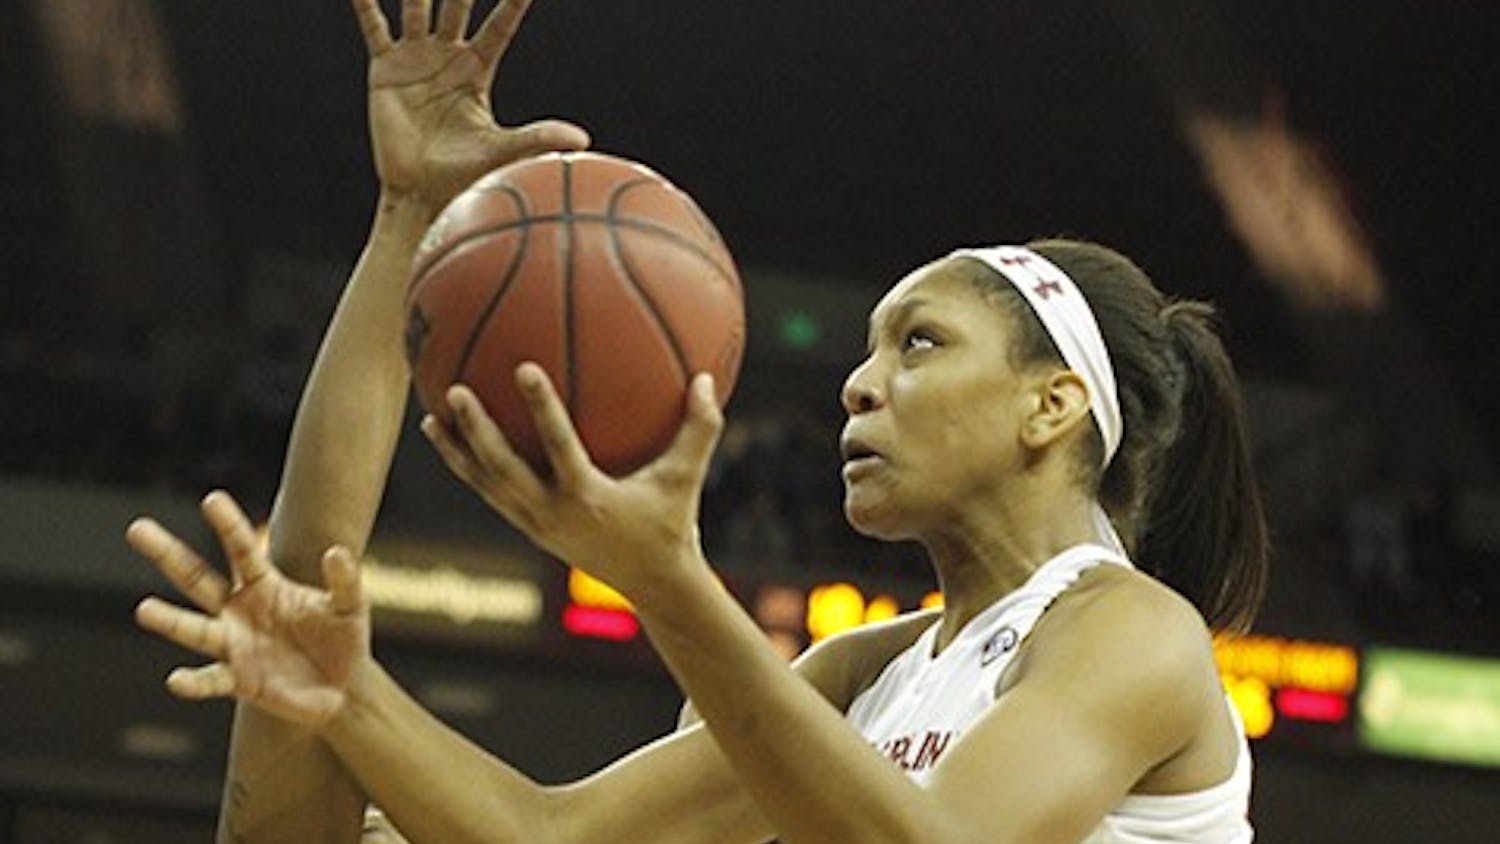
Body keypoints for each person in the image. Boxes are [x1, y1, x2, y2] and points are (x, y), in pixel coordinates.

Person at [129, 2, 1270, 843]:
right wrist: (411, 221)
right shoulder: (855, 671)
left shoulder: (1129, 632)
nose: (858, 386)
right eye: (866, 350)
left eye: (918, 342)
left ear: (1053, 404)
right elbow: (550, 839)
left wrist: (668, 579)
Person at [123, 0, 588, 839]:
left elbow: (552, 833)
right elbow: (309, 564)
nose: (377, 824)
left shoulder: (847, 675)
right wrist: (407, 220)